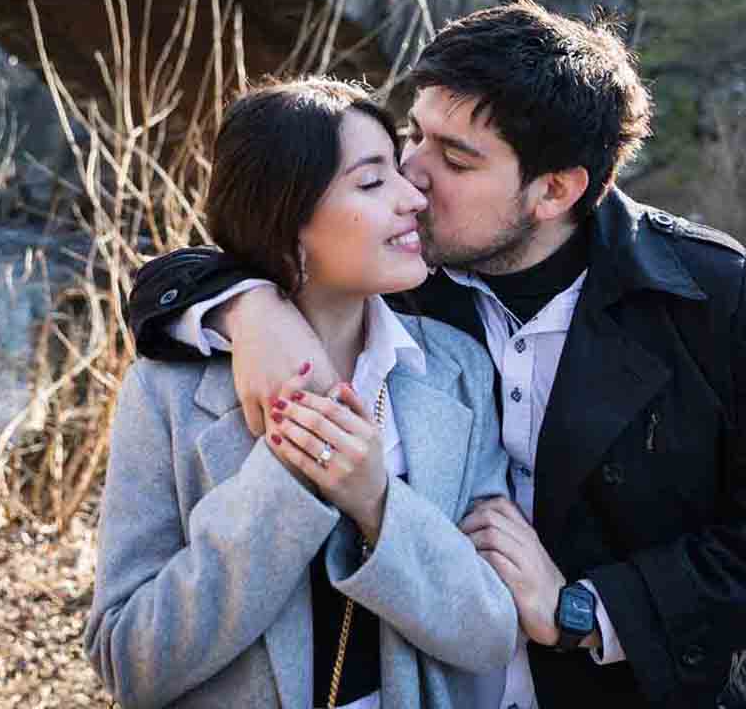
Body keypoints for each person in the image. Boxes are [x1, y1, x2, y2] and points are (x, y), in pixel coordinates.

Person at [126, 0, 746, 709]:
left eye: (455, 159)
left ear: (554, 190)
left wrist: (587, 611)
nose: (412, 176)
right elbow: (237, 241)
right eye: (413, 135)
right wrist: (248, 305)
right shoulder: (405, 269)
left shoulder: (702, 292)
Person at [87, 78, 520, 709]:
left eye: (397, 170)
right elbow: (129, 662)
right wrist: (286, 487)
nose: (412, 197)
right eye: (372, 183)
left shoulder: (455, 371)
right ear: (288, 219)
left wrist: (376, 502)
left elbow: (487, 636)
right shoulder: (168, 394)